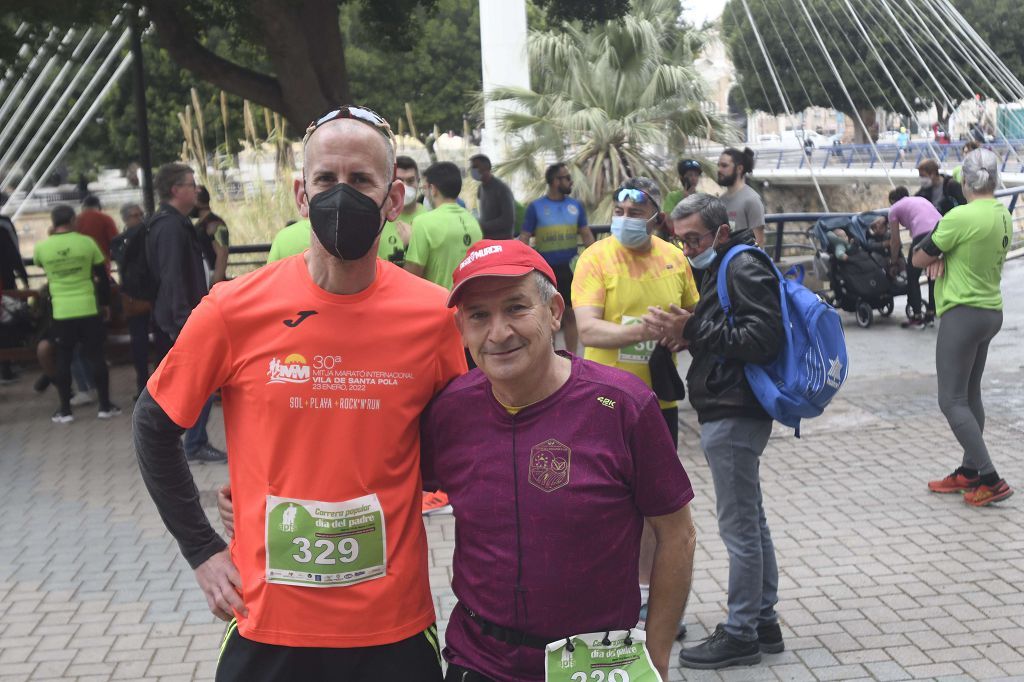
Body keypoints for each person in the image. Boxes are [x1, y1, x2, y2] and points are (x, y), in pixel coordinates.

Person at [219, 239, 697, 682]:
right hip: (479, 661)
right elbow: (378, 474)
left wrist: (655, 658)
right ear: (460, 328)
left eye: (516, 308)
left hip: (596, 662)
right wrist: (254, 497)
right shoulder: (451, 410)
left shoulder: (622, 405)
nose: (499, 333)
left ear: (554, 312)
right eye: (478, 316)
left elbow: (676, 534)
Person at [133, 105, 466, 681]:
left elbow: (462, 446)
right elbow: (153, 426)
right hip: (268, 622)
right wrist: (203, 550)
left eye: (361, 181)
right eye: (326, 180)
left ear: (394, 199)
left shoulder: (434, 316)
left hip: (391, 624)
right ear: (300, 194)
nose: (343, 195)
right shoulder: (234, 309)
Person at [648, 193, 785, 670]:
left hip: (735, 410)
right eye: (679, 240)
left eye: (694, 240)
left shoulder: (741, 266)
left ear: (721, 232)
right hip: (730, 407)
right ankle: (763, 620)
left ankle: (742, 631)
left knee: (738, 528)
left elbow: (763, 340)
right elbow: (732, 331)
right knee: (752, 520)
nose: (686, 250)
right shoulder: (725, 263)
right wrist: (691, 332)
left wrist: (695, 329)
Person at [912, 149, 1013, 507]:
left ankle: (990, 477)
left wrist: (937, 257)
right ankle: (970, 472)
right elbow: (970, 251)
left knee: (951, 399)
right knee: (971, 395)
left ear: (967, 182)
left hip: (962, 313)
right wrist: (946, 257)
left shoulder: (960, 216)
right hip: (990, 312)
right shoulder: (1004, 214)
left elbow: (918, 257)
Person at [573, 177, 699, 446]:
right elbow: (588, 331)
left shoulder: (675, 258)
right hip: (606, 396)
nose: (624, 218)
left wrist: (684, 334)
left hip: (660, 397)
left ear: (657, 218)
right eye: (619, 212)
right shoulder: (594, 258)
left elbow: (693, 319)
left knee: (662, 484)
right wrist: (644, 331)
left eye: (635, 213)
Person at [146, 162, 225, 464]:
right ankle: (190, 442)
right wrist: (184, 322)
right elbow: (172, 277)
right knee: (198, 381)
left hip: (181, 316)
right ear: (175, 190)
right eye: (192, 184)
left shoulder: (172, 223)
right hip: (181, 319)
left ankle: (185, 441)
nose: (197, 190)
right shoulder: (169, 226)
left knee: (193, 380)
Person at [32, 205, 120, 423]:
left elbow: (40, 265)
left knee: (63, 358)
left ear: (53, 222)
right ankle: (105, 406)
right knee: (96, 356)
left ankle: (65, 410)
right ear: (72, 220)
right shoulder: (87, 243)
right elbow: (101, 276)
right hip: (88, 307)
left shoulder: (43, 247)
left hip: (61, 310)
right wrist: (105, 304)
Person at [519, 162, 594, 353]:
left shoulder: (575, 206)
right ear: (554, 181)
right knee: (548, 314)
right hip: (545, 270)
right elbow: (525, 237)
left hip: (568, 269)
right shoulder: (536, 207)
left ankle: (571, 357)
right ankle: (550, 356)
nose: (570, 181)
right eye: (566, 178)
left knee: (570, 315)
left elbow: (586, 234)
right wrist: (520, 266)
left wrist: (597, 260)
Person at [405, 161, 483, 289]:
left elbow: (411, 277)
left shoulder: (423, 223)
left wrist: (409, 244)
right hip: (467, 302)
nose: (424, 192)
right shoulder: (473, 222)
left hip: (438, 305)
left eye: (425, 188)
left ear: (433, 189)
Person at [886, 186, 942, 328]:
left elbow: (895, 241)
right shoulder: (919, 200)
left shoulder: (894, 209)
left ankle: (917, 316)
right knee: (932, 274)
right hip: (941, 230)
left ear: (893, 200)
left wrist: (893, 262)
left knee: (912, 275)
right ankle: (931, 312)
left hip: (924, 234)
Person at [118, 203, 152, 398]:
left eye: (141, 214)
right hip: (134, 298)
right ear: (125, 219)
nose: (139, 218)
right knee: (139, 343)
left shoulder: (148, 237)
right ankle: (142, 386)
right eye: (134, 216)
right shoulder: (121, 242)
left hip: (152, 295)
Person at [378, 155, 428, 265]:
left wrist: (412, 246)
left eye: (410, 181)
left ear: (418, 182)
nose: (405, 187)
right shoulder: (380, 217)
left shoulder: (429, 218)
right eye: (400, 181)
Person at [717, 147, 767, 247]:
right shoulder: (720, 201)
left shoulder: (751, 200)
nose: (719, 170)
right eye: (718, 165)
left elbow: (758, 242)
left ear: (739, 168)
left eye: (724, 166)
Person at [469, 154, 516, 240]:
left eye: (475, 166)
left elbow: (508, 220)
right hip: (487, 240)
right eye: (472, 167)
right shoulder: (481, 188)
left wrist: (482, 225)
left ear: (487, 167)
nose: (473, 170)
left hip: (503, 241)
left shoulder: (502, 189)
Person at [193, 185, 231, 285]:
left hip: (211, 277)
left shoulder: (215, 223)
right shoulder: (202, 224)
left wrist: (215, 284)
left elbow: (222, 254)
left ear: (197, 201)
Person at [76, 195, 119, 269]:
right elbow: (115, 241)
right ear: (99, 206)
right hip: (102, 263)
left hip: (80, 263)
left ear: (83, 207)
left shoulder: (75, 220)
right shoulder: (106, 219)